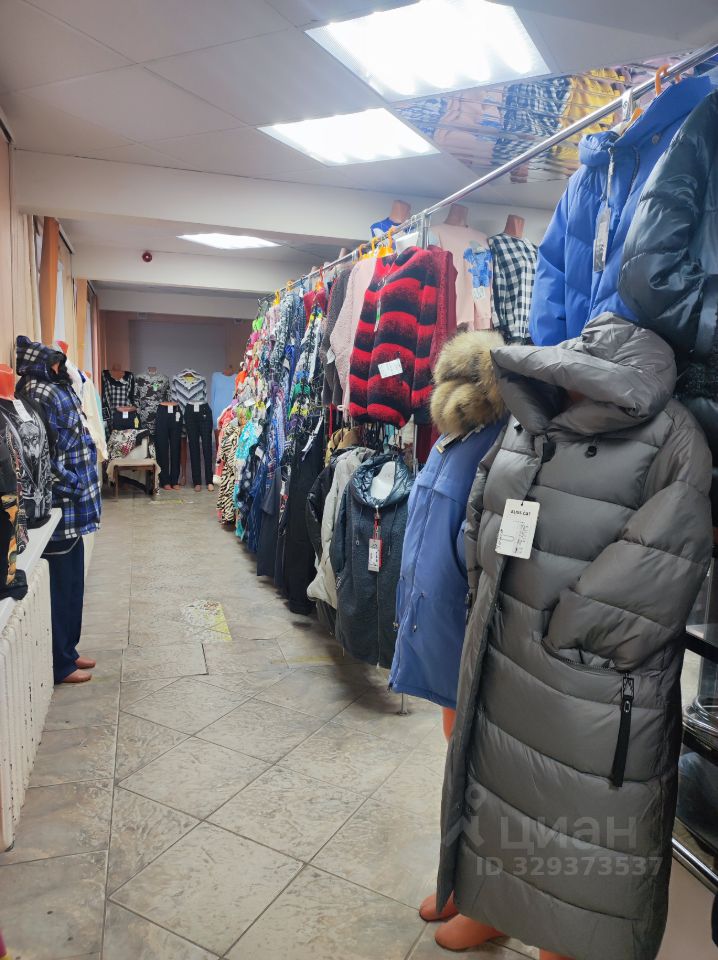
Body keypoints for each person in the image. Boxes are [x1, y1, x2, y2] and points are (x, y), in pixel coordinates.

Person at [433, 316, 712, 960]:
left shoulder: (671, 437)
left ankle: (561, 939)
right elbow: (483, 505)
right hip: (505, 643)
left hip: (589, 676)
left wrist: (573, 635)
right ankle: (489, 902)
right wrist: (482, 585)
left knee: (573, 820)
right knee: (496, 789)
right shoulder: (529, 416)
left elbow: (668, 554)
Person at [16, 337, 101, 684]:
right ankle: (60, 663)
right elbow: (39, 452)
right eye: (56, 361)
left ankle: (69, 650)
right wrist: (71, 485)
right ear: (43, 362)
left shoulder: (58, 386)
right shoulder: (37, 392)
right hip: (62, 506)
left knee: (73, 585)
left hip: (76, 509)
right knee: (61, 588)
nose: (62, 366)